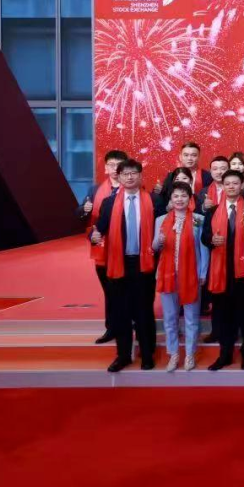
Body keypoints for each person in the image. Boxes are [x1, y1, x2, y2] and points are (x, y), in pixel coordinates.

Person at [92, 158, 164, 372]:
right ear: (119, 177)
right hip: (118, 264)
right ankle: (123, 355)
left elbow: (163, 230)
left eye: (134, 173)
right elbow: (98, 229)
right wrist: (93, 236)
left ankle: (147, 355)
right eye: (126, 174)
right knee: (121, 312)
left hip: (145, 264)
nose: (130, 177)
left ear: (140, 176)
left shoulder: (155, 201)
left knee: (144, 311)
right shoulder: (109, 203)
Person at [201, 169, 244, 371]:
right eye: (228, 184)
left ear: (242, 185)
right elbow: (204, 237)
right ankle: (225, 355)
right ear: (222, 187)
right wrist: (211, 240)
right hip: (220, 271)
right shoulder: (213, 211)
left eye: (235, 183)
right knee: (223, 315)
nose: (231, 187)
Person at [153, 182, 209, 372]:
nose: (179, 199)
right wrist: (159, 241)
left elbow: (204, 249)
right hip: (167, 275)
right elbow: (154, 247)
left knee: (192, 317)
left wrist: (203, 273)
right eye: (176, 196)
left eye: (184, 196)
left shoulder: (198, 220)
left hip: (191, 275)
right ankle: (173, 353)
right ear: (170, 199)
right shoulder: (161, 220)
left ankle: (190, 354)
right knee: (170, 318)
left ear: (190, 198)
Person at [79, 148, 127, 345]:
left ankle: (127, 323)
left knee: (125, 290)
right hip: (102, 248)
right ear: (106, 168)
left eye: (118, 165)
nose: (115, 169)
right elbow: (81, 215)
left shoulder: (132, 188)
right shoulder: (95, 190)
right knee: (109, 290)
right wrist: (84, 210)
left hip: (125, 248)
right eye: (111, 165)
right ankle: (112, 327)